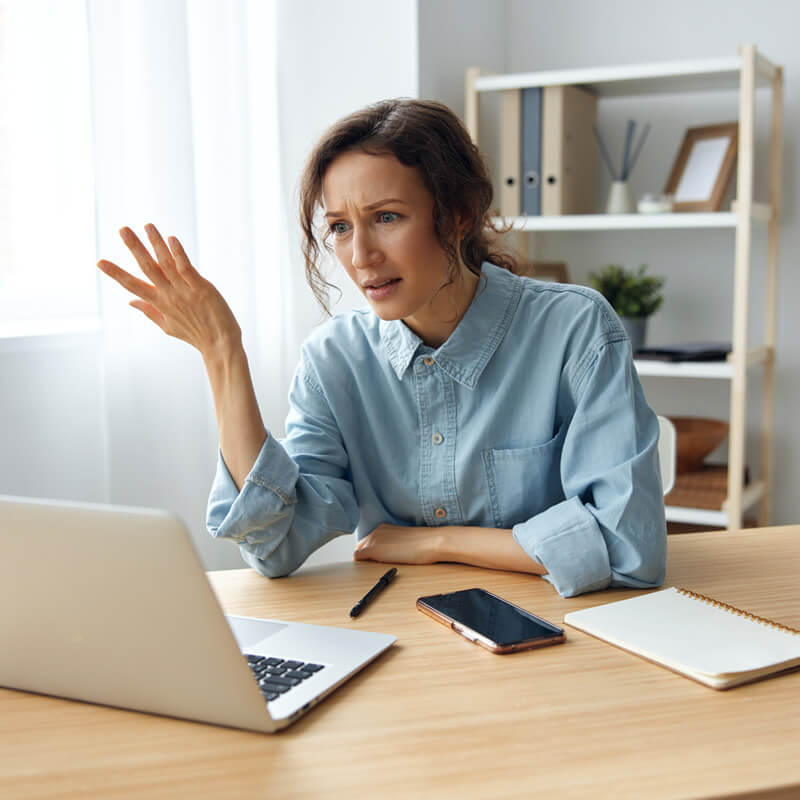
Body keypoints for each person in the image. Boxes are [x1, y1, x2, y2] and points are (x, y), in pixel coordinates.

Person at [97, 98, 666, 598]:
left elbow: (627, 549)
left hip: (559, 640)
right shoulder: (334, 360)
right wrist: (222, 352)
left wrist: (435, 542)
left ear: (460, 213)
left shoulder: (574, 328)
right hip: (402, 638)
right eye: (340, 227)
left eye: (387, 218)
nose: (360, 255)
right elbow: (273, 546)